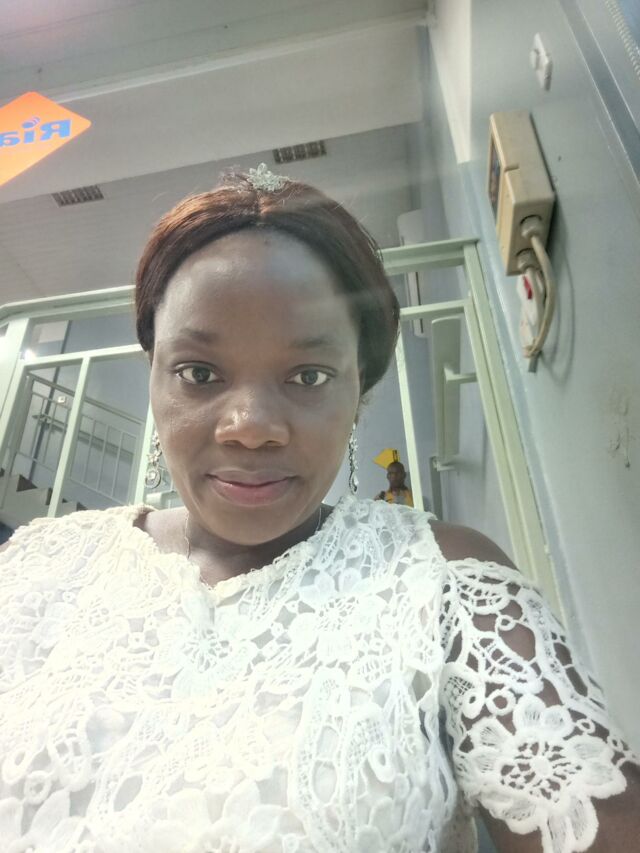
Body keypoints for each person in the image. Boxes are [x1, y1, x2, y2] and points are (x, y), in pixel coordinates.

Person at [0, 164, 639, 853]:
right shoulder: (37, 566)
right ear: (154, 375)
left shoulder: (442, 581)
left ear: (358, 391)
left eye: (308, 375)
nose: (250, 426)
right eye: (199, 373)